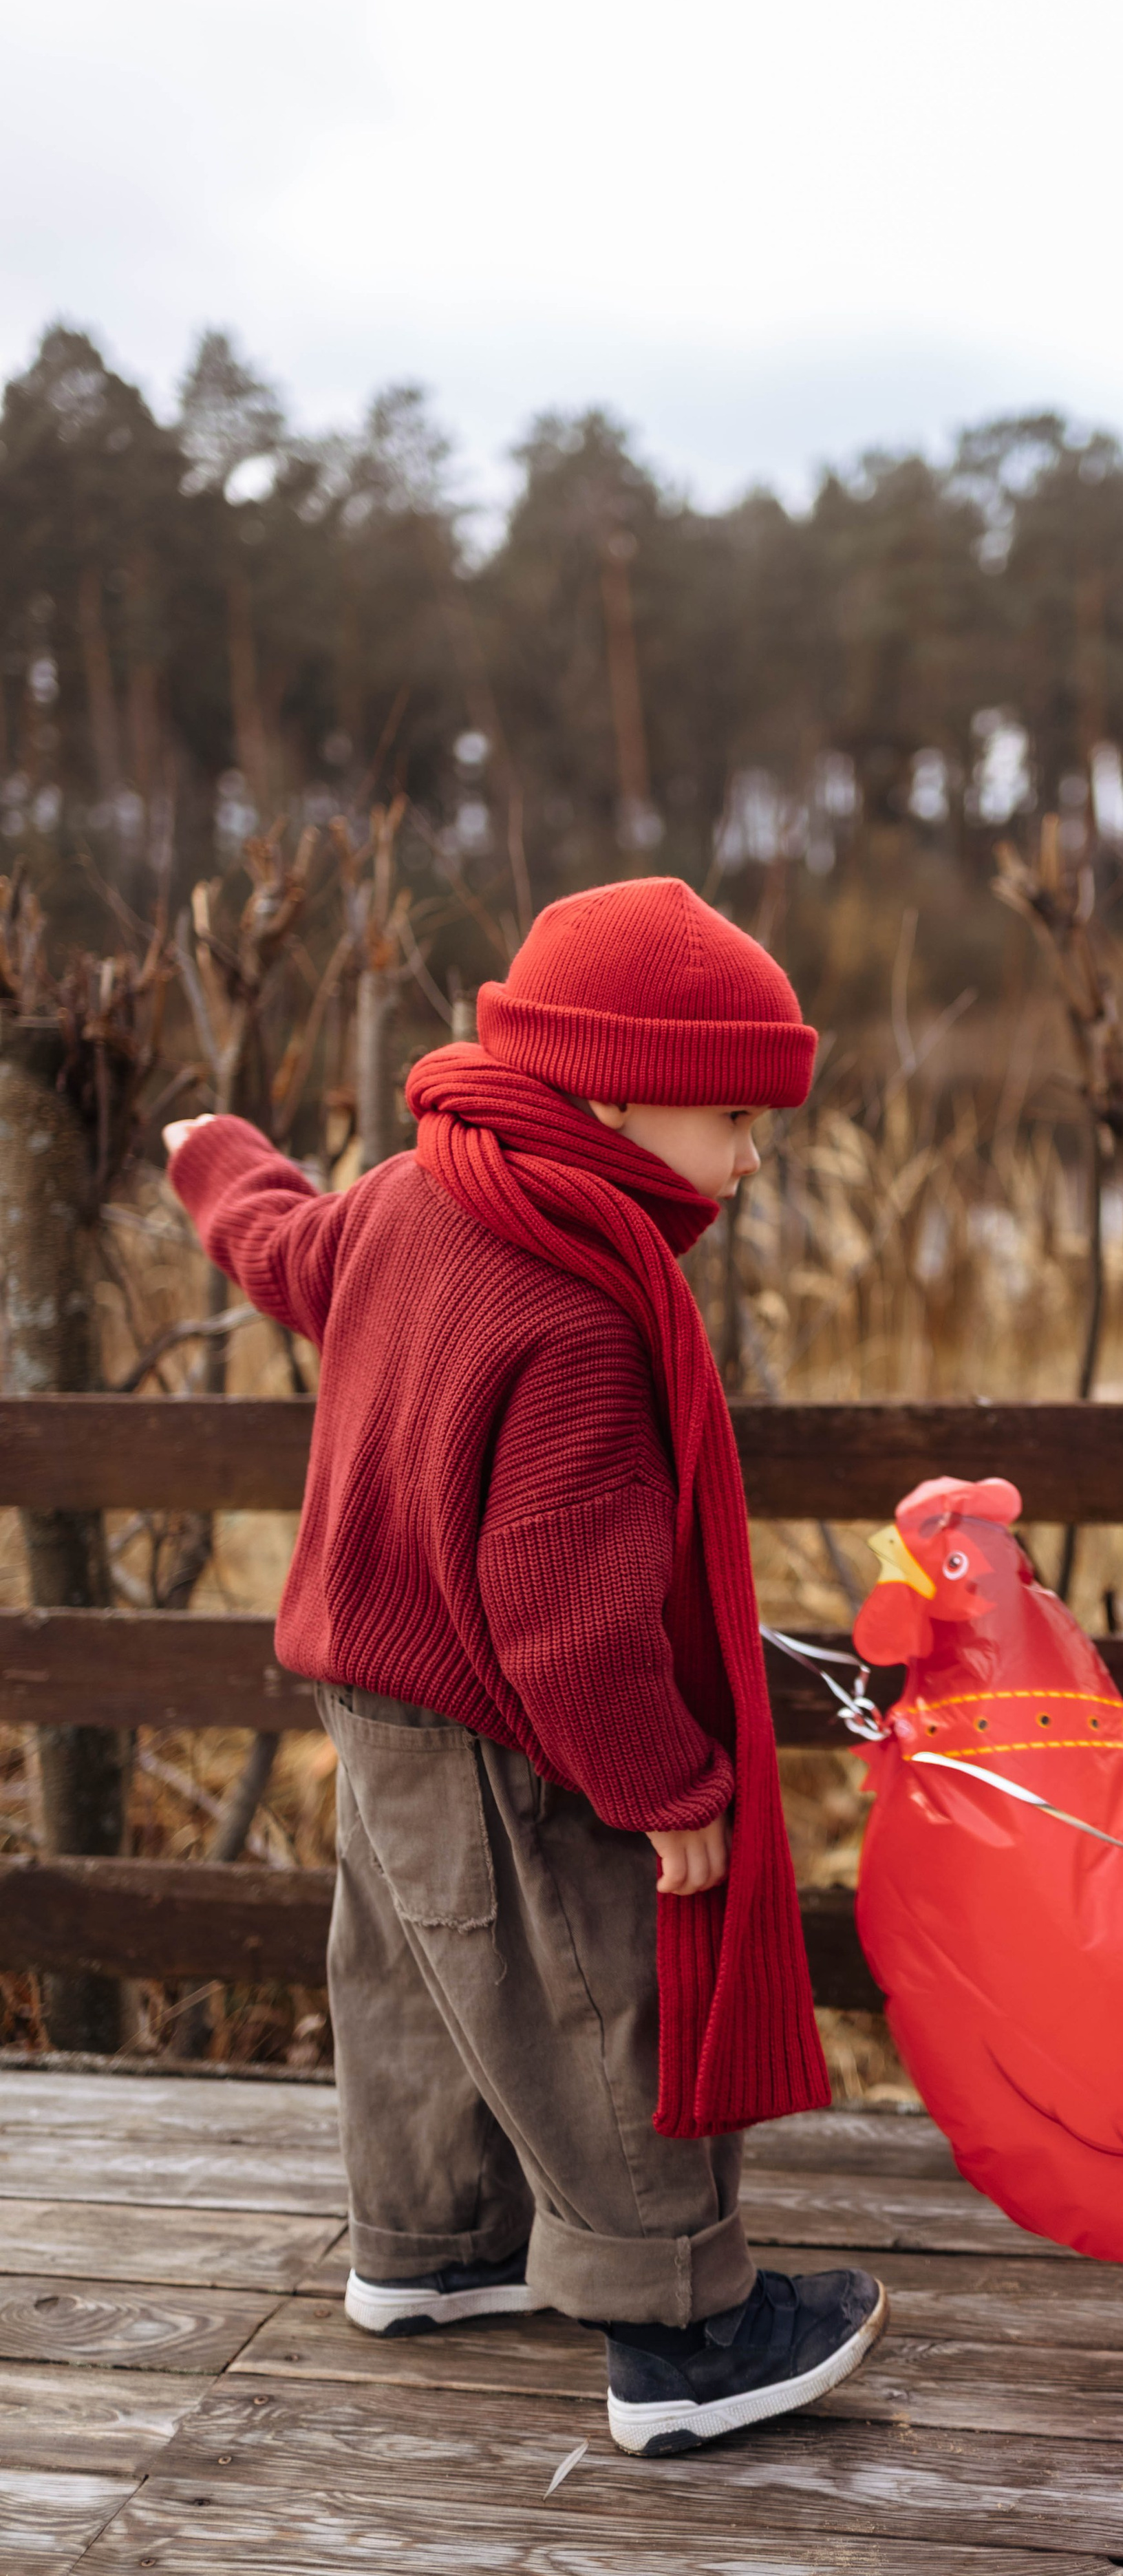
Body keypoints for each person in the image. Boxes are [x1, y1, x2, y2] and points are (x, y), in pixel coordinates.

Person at [164, 877, 885, 2458]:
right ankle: (683, 2335)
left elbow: (280, 1250)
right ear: (613, 1090)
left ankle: (431, 2251)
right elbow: (563, 1598)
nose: (751, 1160)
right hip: (508, 1721)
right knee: (584, 1991)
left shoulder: (424, 1190)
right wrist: (665, 1782)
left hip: (376, 1698)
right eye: (731, 1119)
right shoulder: (573, 1295)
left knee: (419, 1976)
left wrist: (212, 1159)